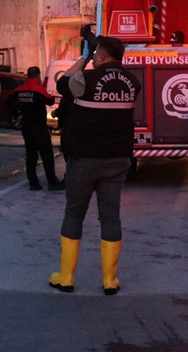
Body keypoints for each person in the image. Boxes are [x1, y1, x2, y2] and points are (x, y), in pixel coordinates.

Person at [49, 34, 140, 296]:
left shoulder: (85, 80)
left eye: (96, 53)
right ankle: (110, 280)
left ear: (100, 55)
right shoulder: (133, 83)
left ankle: (66, 277)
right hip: (117, 159)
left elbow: (63, 84)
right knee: (110, 216)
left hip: (85, 160)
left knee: (74, 214)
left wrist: (83, 57)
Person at [11, 66, 63, 191]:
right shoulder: (39, 90)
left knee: (31, 155)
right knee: (47, 155)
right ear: (38, 76)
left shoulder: (19, 90)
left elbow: (9, 102)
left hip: (26, 127)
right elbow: (50, 101)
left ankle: (33, 183)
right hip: (39, 128)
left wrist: (18, 112)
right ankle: (52, 182)